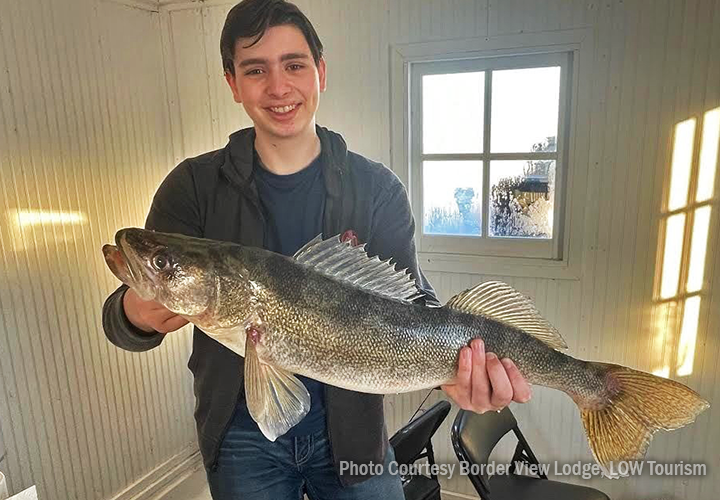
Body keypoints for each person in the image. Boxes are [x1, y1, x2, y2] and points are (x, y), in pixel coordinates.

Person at [101, 0, 531, 498]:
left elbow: (414, 313)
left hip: (355, 436)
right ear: (233, 83)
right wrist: (136, 312)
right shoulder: (193, 187)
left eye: (294, 65)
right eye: (255, 69)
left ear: (320, 72)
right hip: (241, 434)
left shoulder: (377, 190)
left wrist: (457, 378)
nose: (278, 87)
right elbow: (119, 322)